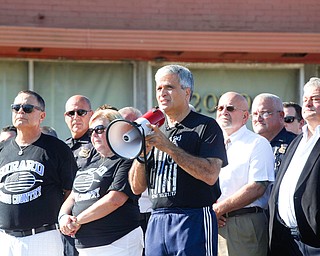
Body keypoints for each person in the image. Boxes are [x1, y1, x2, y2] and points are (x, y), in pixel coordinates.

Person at [128, 64, 228, 256]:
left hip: (193, 218)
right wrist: (142, 155)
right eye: (159, 88)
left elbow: (210, 175)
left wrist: (169, 147)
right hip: (157, 219)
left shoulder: (206, 126)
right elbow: (136, 187)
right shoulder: (154, 129)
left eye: (169, 87)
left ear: (187, 92)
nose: (162, 93)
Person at [0, 90, 77, 256]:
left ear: (42, 116)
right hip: (5, 239)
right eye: (16, 107)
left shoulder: (57, 149)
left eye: (27, 108)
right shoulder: (3, 150)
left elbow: (71, 191)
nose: (20, 111)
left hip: (42, 237)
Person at [59, 109, 143, 256]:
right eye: (91, 131)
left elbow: (115, 200)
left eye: (99, 129)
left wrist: (77, 221)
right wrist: (63, 217)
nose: (94, 135)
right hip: (86, 248)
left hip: (118, 243)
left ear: (115, 130)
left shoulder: (127, 158)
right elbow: (73, 196)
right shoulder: (89, 161)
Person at [213, 92, 274, 256]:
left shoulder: (257, 143)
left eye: (230, 108)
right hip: (214, 223)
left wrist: (218, 209)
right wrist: (210, 210)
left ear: (245, 116)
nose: (224, 112)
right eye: (220, 108)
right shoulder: (212, 143)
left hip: (244, 222)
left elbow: (257, 187)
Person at [269, 77, 320, 255]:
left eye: (316, 99)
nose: (308, 104)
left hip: (314, 241)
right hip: (286, 240)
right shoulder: (296, 142)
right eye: (305, 100)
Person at [64, 95, 100, 256]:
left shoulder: (98, 144)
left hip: (89, 223)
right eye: (71, 113)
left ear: (91, 114)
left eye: (81, 112)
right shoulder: (61, 147)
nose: (76, 117)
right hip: (63, 222)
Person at [119, 106, 152, 255]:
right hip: (126, 217)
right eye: (124, 123)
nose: (130, 129)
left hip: (150, 215)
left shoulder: (150, 145)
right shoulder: (114, 148)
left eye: (134, 124)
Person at [251, 93, 296, 177]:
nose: (258, 119)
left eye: (264, 113)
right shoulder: (249, 145)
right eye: (255, 114)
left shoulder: (294, 143)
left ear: (281, 115)